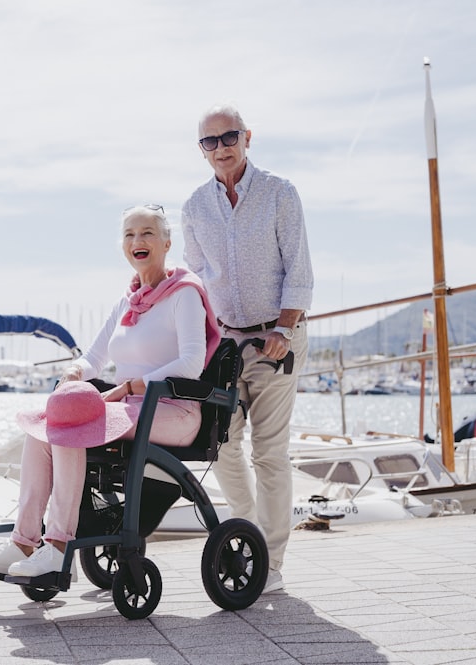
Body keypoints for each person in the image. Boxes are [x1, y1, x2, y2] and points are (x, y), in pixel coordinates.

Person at [0, 204, 220, 578]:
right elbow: (94, 357)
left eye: (147, 233)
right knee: (47, 423)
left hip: (175, 411)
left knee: (74, 427)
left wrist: (132, 385)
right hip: (131, 408)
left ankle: (58, 546)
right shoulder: (126, 303)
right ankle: (24, 540)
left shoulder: (185, 294)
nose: (138, 241)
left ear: (166, 242)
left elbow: (193, 362)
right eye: (130, 234)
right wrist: (73, 372)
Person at [181, 104, 313, 593]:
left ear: (247, 137)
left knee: (270, 453)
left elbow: (298, 269)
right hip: (227, 341)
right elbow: (199, 280)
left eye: (228, 137)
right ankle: (248, 532)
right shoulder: (195, 206)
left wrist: (283, 327)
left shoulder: (280, 193)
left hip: (279, 338)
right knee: (223, 443)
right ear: (201, 150)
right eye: (209, 142)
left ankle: (271, 563)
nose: (221, 148)